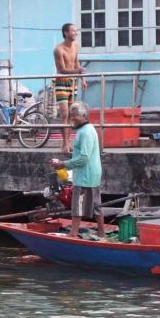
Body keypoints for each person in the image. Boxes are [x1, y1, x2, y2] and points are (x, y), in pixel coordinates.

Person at [50, 102, 106, 240]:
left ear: (84, 116)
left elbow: (83, 159)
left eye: (75, 116)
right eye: (71, 115)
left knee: (77, 205)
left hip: (85, 175)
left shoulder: (85, 132)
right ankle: (101, 232)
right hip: (93, 173)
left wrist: (63, 164)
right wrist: (64, 164)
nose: (72, 118)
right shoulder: (90, 129)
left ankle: (73, 233)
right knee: (96, 204)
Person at [53, 23, 88, 154]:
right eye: (73, 31)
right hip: (62, 83)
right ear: (66, 33)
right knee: (64, 114)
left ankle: (69, 144)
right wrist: (77, 71)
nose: (75, 33)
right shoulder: (58, 50)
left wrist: (82, 79)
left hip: (72, 83)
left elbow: (76, 62)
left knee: (71, 115)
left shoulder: (75, 46)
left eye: (76, 31)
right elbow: (61, 69)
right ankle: (65, 144)